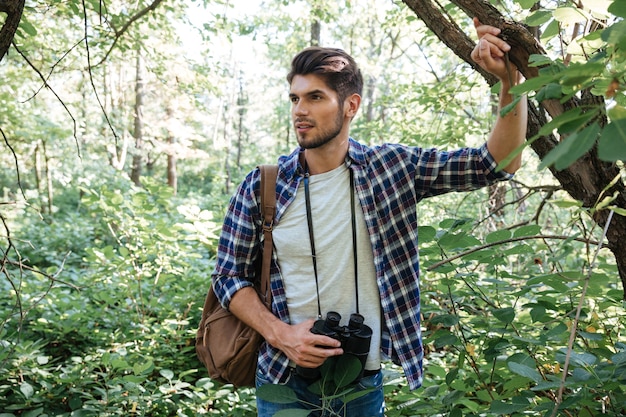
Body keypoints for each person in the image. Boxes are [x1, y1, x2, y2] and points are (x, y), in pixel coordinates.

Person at [211, 18, 527, 416]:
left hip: (362, 382)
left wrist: (509, 80)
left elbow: (497, 163)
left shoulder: (391, 169)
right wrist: (282, 334)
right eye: (294, 99)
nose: (300, 111)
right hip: (285, 377)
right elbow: (227, 275)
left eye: (315, 98)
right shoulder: (263, 186)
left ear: (351, 105)